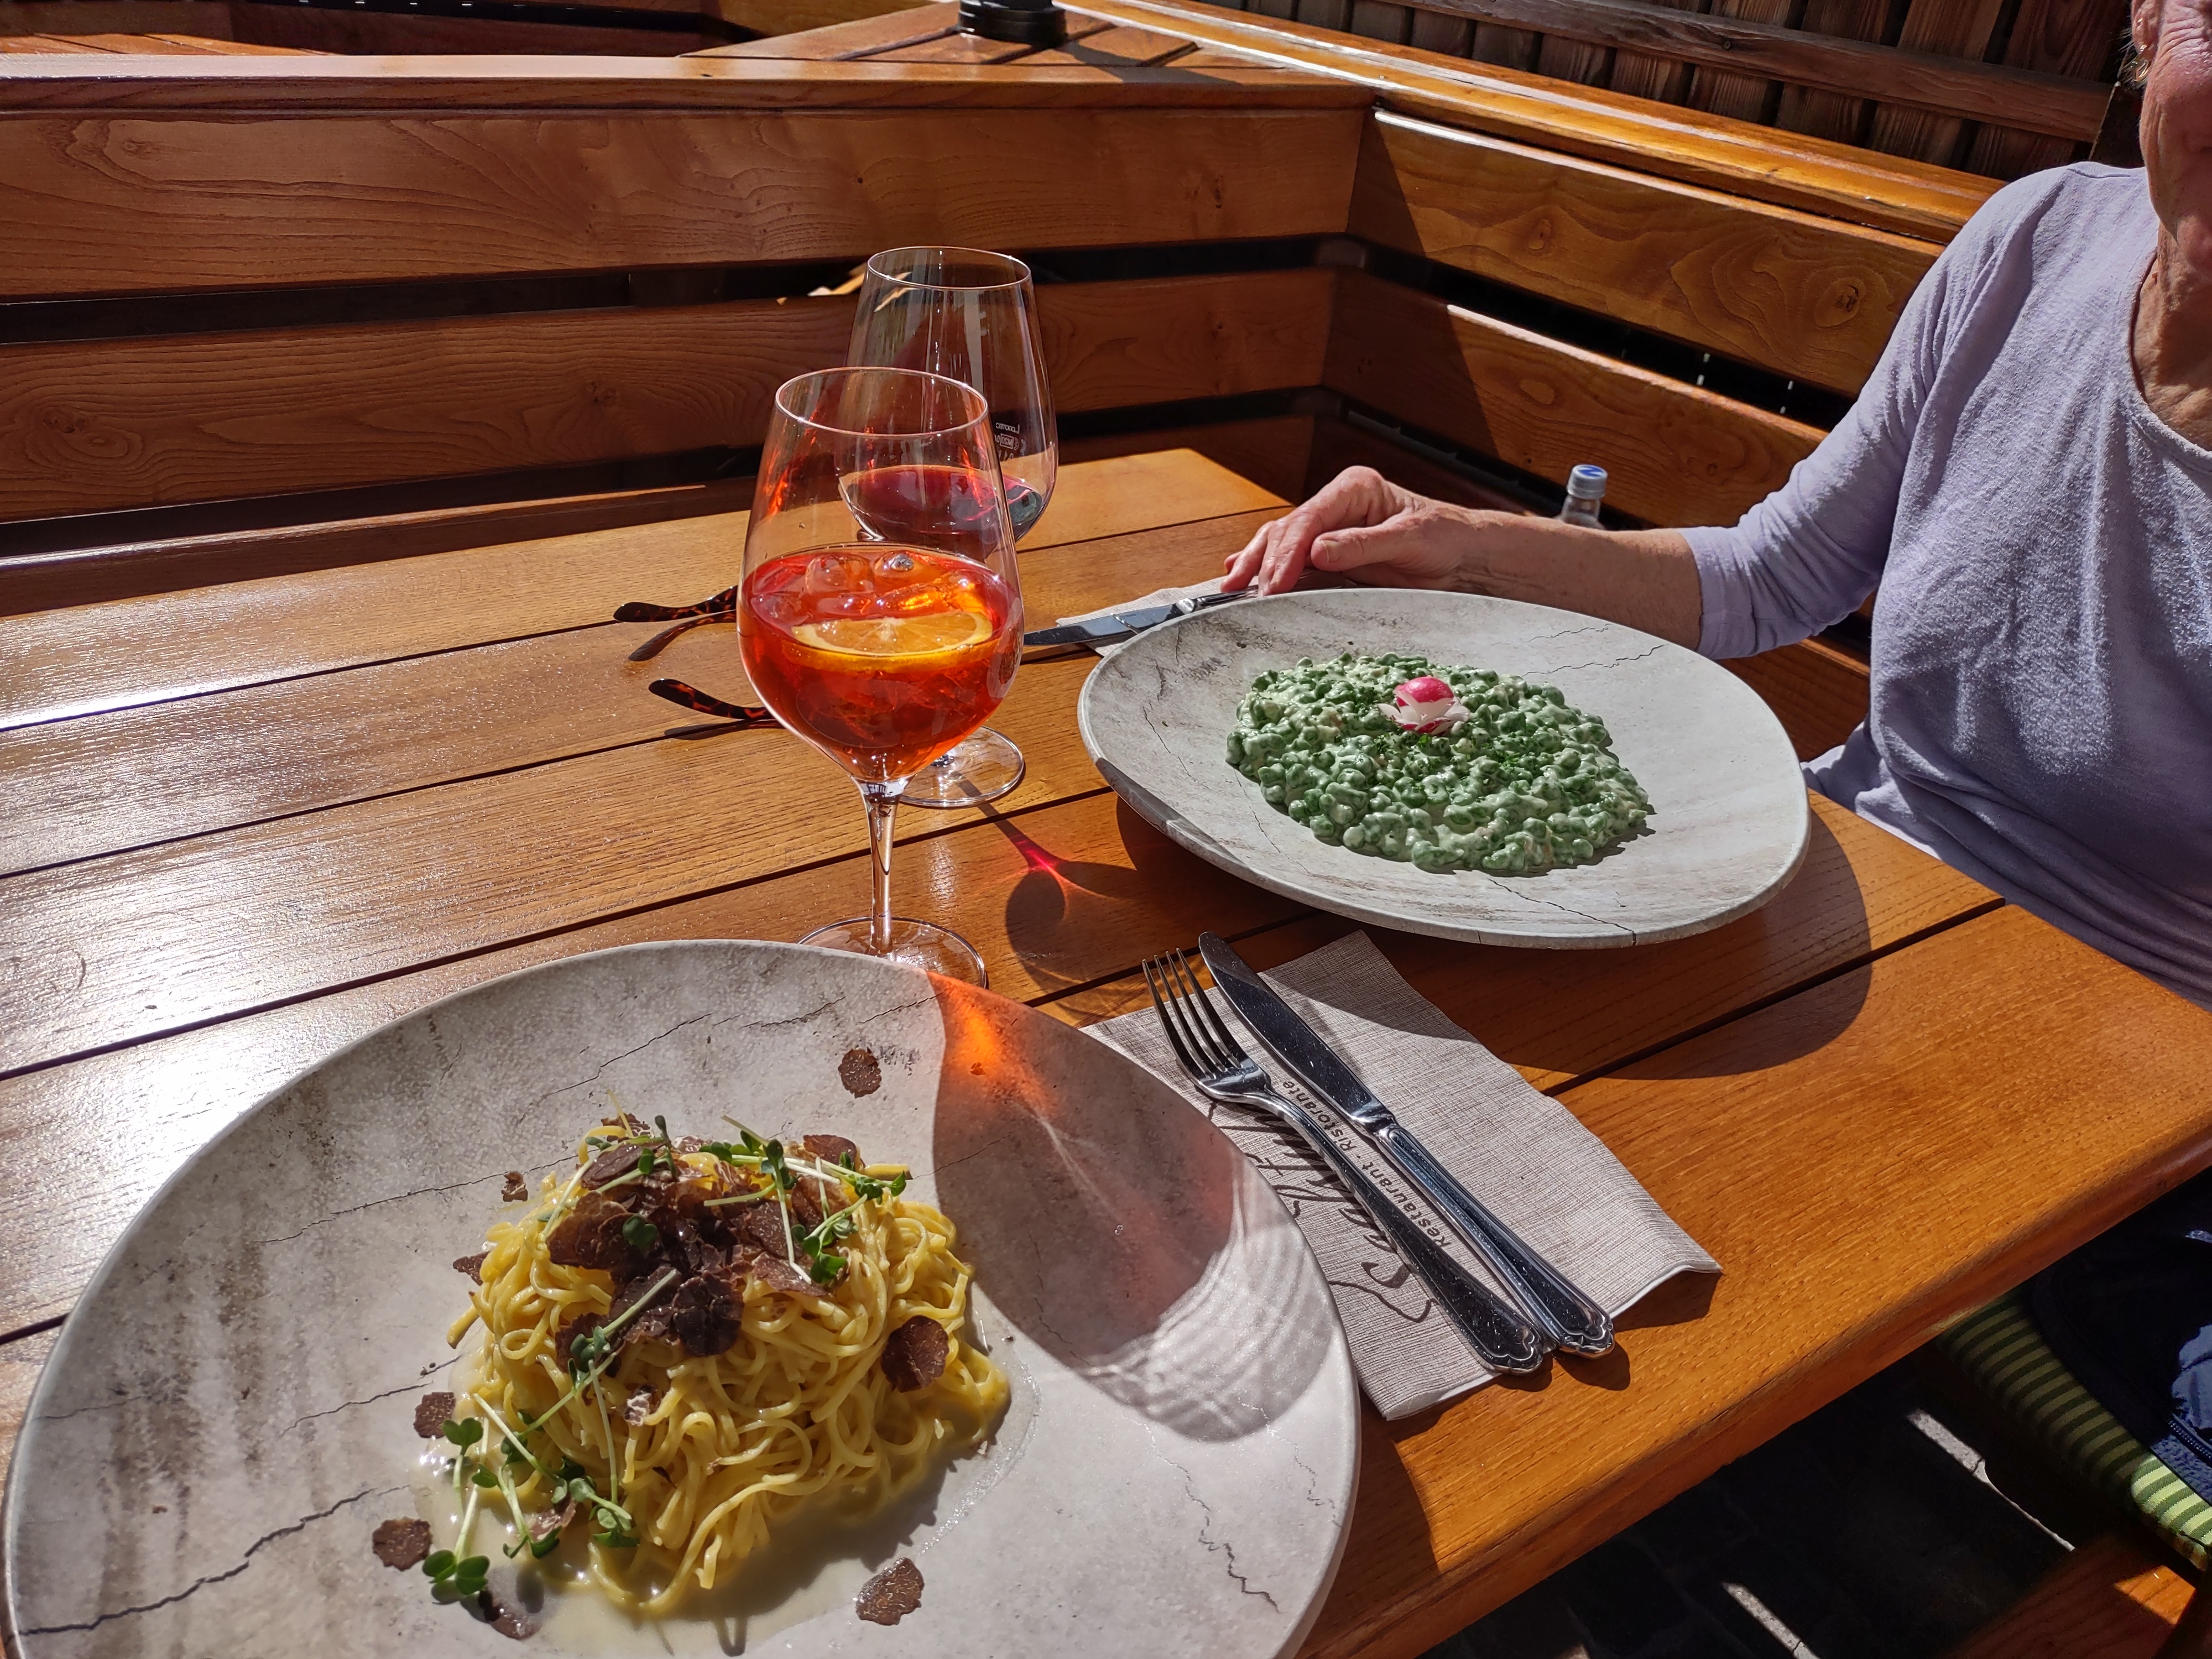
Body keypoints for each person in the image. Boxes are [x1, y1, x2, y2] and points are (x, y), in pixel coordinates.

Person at [1223, 0, 2211, 1016]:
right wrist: (1458, 544)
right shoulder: (2036, 237)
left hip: (2137, 1024)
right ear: (2147, 20)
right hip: (1830, 876)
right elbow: (1771, 577)